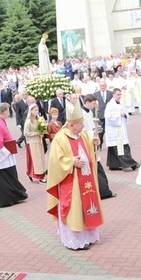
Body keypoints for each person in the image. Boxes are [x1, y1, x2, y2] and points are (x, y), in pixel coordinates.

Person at [46, 100, 104, 250]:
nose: (83, 125)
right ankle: (75, 240)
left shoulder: (83, 135)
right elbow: (55, 161)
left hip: (85, 180)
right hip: (71, 182)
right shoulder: (60, 138)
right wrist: (71, 162)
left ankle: (88, 236)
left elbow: (87, 147)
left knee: (87, 205)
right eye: (79, 123)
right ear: (71, 125)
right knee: (75, 208)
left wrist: (94, 142)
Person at [0, 102, 28, 207]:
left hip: (5, 153)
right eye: (8, 110)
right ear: (5, 112)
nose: (9, 112)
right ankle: (6, 199)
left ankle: (14, 196)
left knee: (10, 176)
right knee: (5, 177)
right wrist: (7, 152)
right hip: (2, 156)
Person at [80, 94, 116, 199]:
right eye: (93, 103)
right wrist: (92, 134)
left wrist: (97, 130)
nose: (94, 105)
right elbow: (83, 130)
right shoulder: (81, 113)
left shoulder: (90, 112)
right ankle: (103, 192)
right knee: (95, 168)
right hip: (88, 144)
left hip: (93, 141)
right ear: (87, 102)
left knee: (98, 168)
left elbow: (91, 126)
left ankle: (104, 191)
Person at [105, 88, 139, 170]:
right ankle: (132, 164)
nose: (120, 96)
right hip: (114, 131)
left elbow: (125, 112)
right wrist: (119, 114)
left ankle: (113, 165)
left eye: (120, 94)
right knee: (122, 148)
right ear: (113, 95)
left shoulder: (120, 103)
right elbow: (109, 117)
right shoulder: (110, 105)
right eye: (118, 94)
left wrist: (124, 114)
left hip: (120, 129)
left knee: (114, 148)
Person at [24, 103, 47, 183]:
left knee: (41, 159)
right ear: (31, 111)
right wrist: (36, 133)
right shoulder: (28, 121)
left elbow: (43, 128)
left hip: (39, 141)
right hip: (32, 142)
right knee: (36, 160)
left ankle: (36, 173)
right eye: (35, 110)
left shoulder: (39, 119)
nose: (37, 112)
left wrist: (43, 131)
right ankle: (40, 176)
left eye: (37, 110)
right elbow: (26, 133)